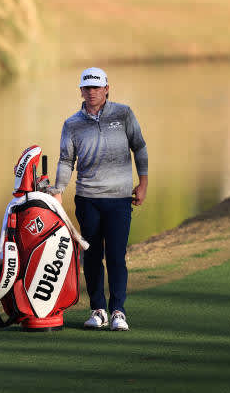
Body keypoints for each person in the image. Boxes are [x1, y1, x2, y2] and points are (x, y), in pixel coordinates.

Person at [50, 67, 148, 331]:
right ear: (81, 90)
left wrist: (143, 183)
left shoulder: (123, 113)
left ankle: (118, 311)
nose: (92, 92)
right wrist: (58, 191)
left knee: (116, 255)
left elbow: (139, 146)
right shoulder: (72, 124)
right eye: (87, 87)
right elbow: (66, 160)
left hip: (118, 199)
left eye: (96, 87)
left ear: (106, 88)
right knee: (92, 256)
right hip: (88, 198)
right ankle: (98, 310)